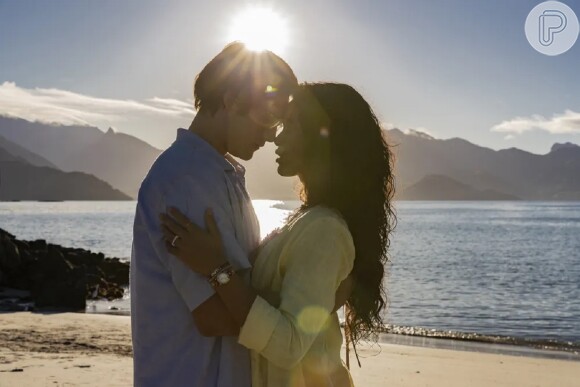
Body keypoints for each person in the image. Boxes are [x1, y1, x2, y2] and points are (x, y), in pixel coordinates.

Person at [161, 82, 397, 386]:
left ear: (322, 135)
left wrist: (217, 269)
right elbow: (282, 311)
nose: (277, 137)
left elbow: (288, 346)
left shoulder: (324, 229)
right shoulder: (306, 222)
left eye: (291, 125)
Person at [130, 41, 298, 386]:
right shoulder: (185, 180)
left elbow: (241, 286)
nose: (269, 136)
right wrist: (313, 301)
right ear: (232, 98)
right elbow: (216, 316)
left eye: (277, 125)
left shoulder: (215, 173)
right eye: (267, 117)